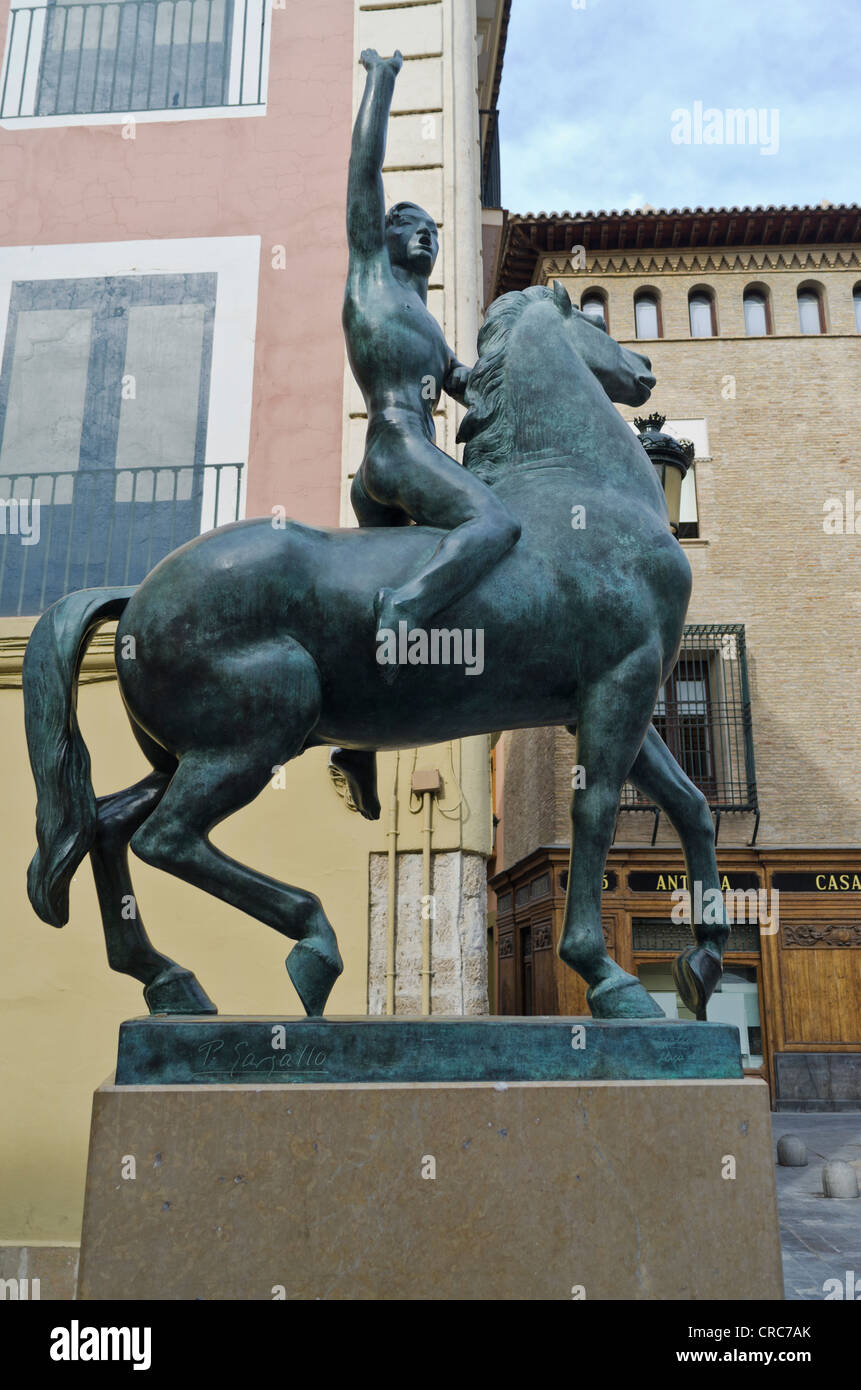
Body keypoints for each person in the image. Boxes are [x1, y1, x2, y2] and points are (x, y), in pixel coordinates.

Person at [330, 48, 521, 819]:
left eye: (434, 233)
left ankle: (355, 741)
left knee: (428, 590)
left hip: (396, 465)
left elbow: (472, 390)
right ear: (386, 233)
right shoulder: (368, 270)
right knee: (492, 523)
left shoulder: (427, 326)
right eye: (414, 226)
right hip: (394, 447)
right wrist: (381, 82)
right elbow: (364, 168)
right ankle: (403, 612)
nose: (427, 236)